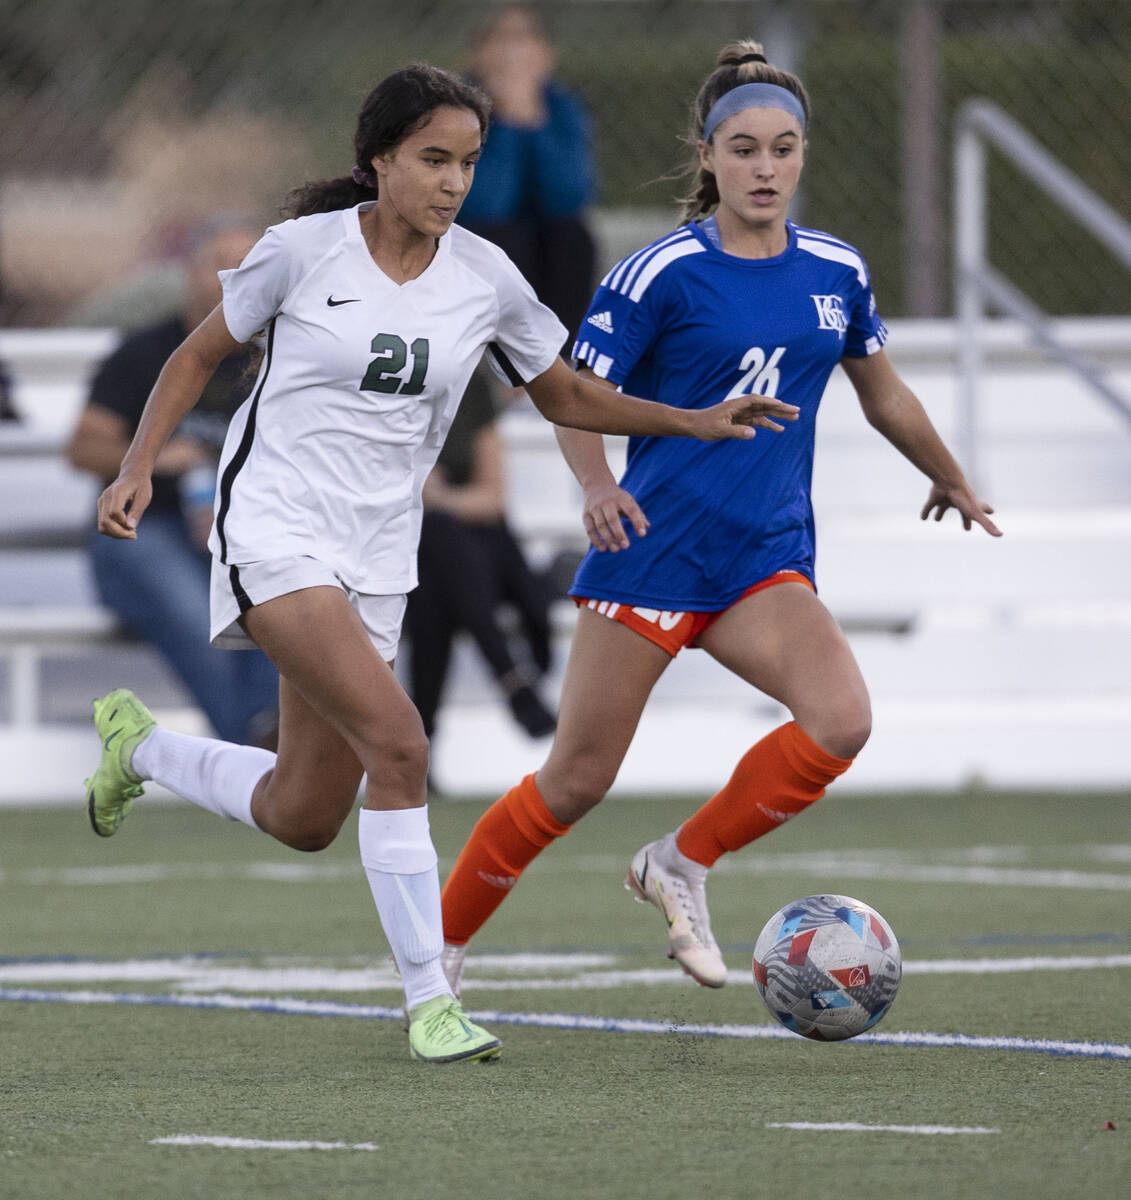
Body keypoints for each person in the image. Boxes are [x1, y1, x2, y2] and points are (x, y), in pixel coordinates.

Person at [81, 63, 798, 1064]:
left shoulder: (485, 276)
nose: (454, 181)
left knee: (303, 813)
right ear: (379, 160)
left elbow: (567, 397)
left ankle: (141, 750)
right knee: (402, 745)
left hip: (379, 551)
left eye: (467, 162)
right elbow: (194, 357)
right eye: (433, 159)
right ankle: (431, 1000)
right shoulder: (302, 251)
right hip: (275, 528)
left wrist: (692, 420)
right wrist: (137, 470)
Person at [440, 40, 1002, 994]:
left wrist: (948, 474)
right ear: (706, 156)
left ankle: (681, 861)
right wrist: (595, 486)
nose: (765, 168)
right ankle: (435, 955)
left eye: (783, 149)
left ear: (802, 154)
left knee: (839, 722)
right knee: (574, 782)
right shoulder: (657, 272)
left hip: (762, 562)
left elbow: (884, 393)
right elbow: (572, 395)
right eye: (743, 149)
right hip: (652, 554)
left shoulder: (834, 269)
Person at [66, 217, 280, 748]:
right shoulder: (145, 351)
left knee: (285, 607)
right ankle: (258, 750)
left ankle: (262, 753)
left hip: (244, 535)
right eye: (218, 264)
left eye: (247, 265)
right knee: (193, 613)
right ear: (187, 273)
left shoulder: (282, 353)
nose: (233, 277)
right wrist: (158, 458)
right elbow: (83, 448)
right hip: (144, 536)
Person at [405, 361, 558, 773]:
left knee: (439, 568)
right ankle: (510, 676)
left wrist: (434, 499)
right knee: (434, 570)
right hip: (409, 551)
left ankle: (420, 750)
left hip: (481, 549)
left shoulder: (465, 385)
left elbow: (491, 500)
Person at [458, 2, 597, 349]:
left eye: (524, 39)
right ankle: (515, 377)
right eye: (500, 40)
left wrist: (532, 122)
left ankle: (564, 363)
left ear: (545, 54)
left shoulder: (561, 105)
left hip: (547, 245)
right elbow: (485, 204)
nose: (513, 53)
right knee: (505, 237)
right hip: (480, 239)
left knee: (572, 235)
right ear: (477, 54)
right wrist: (506, 121)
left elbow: (569, 197)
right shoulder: (456, 106)